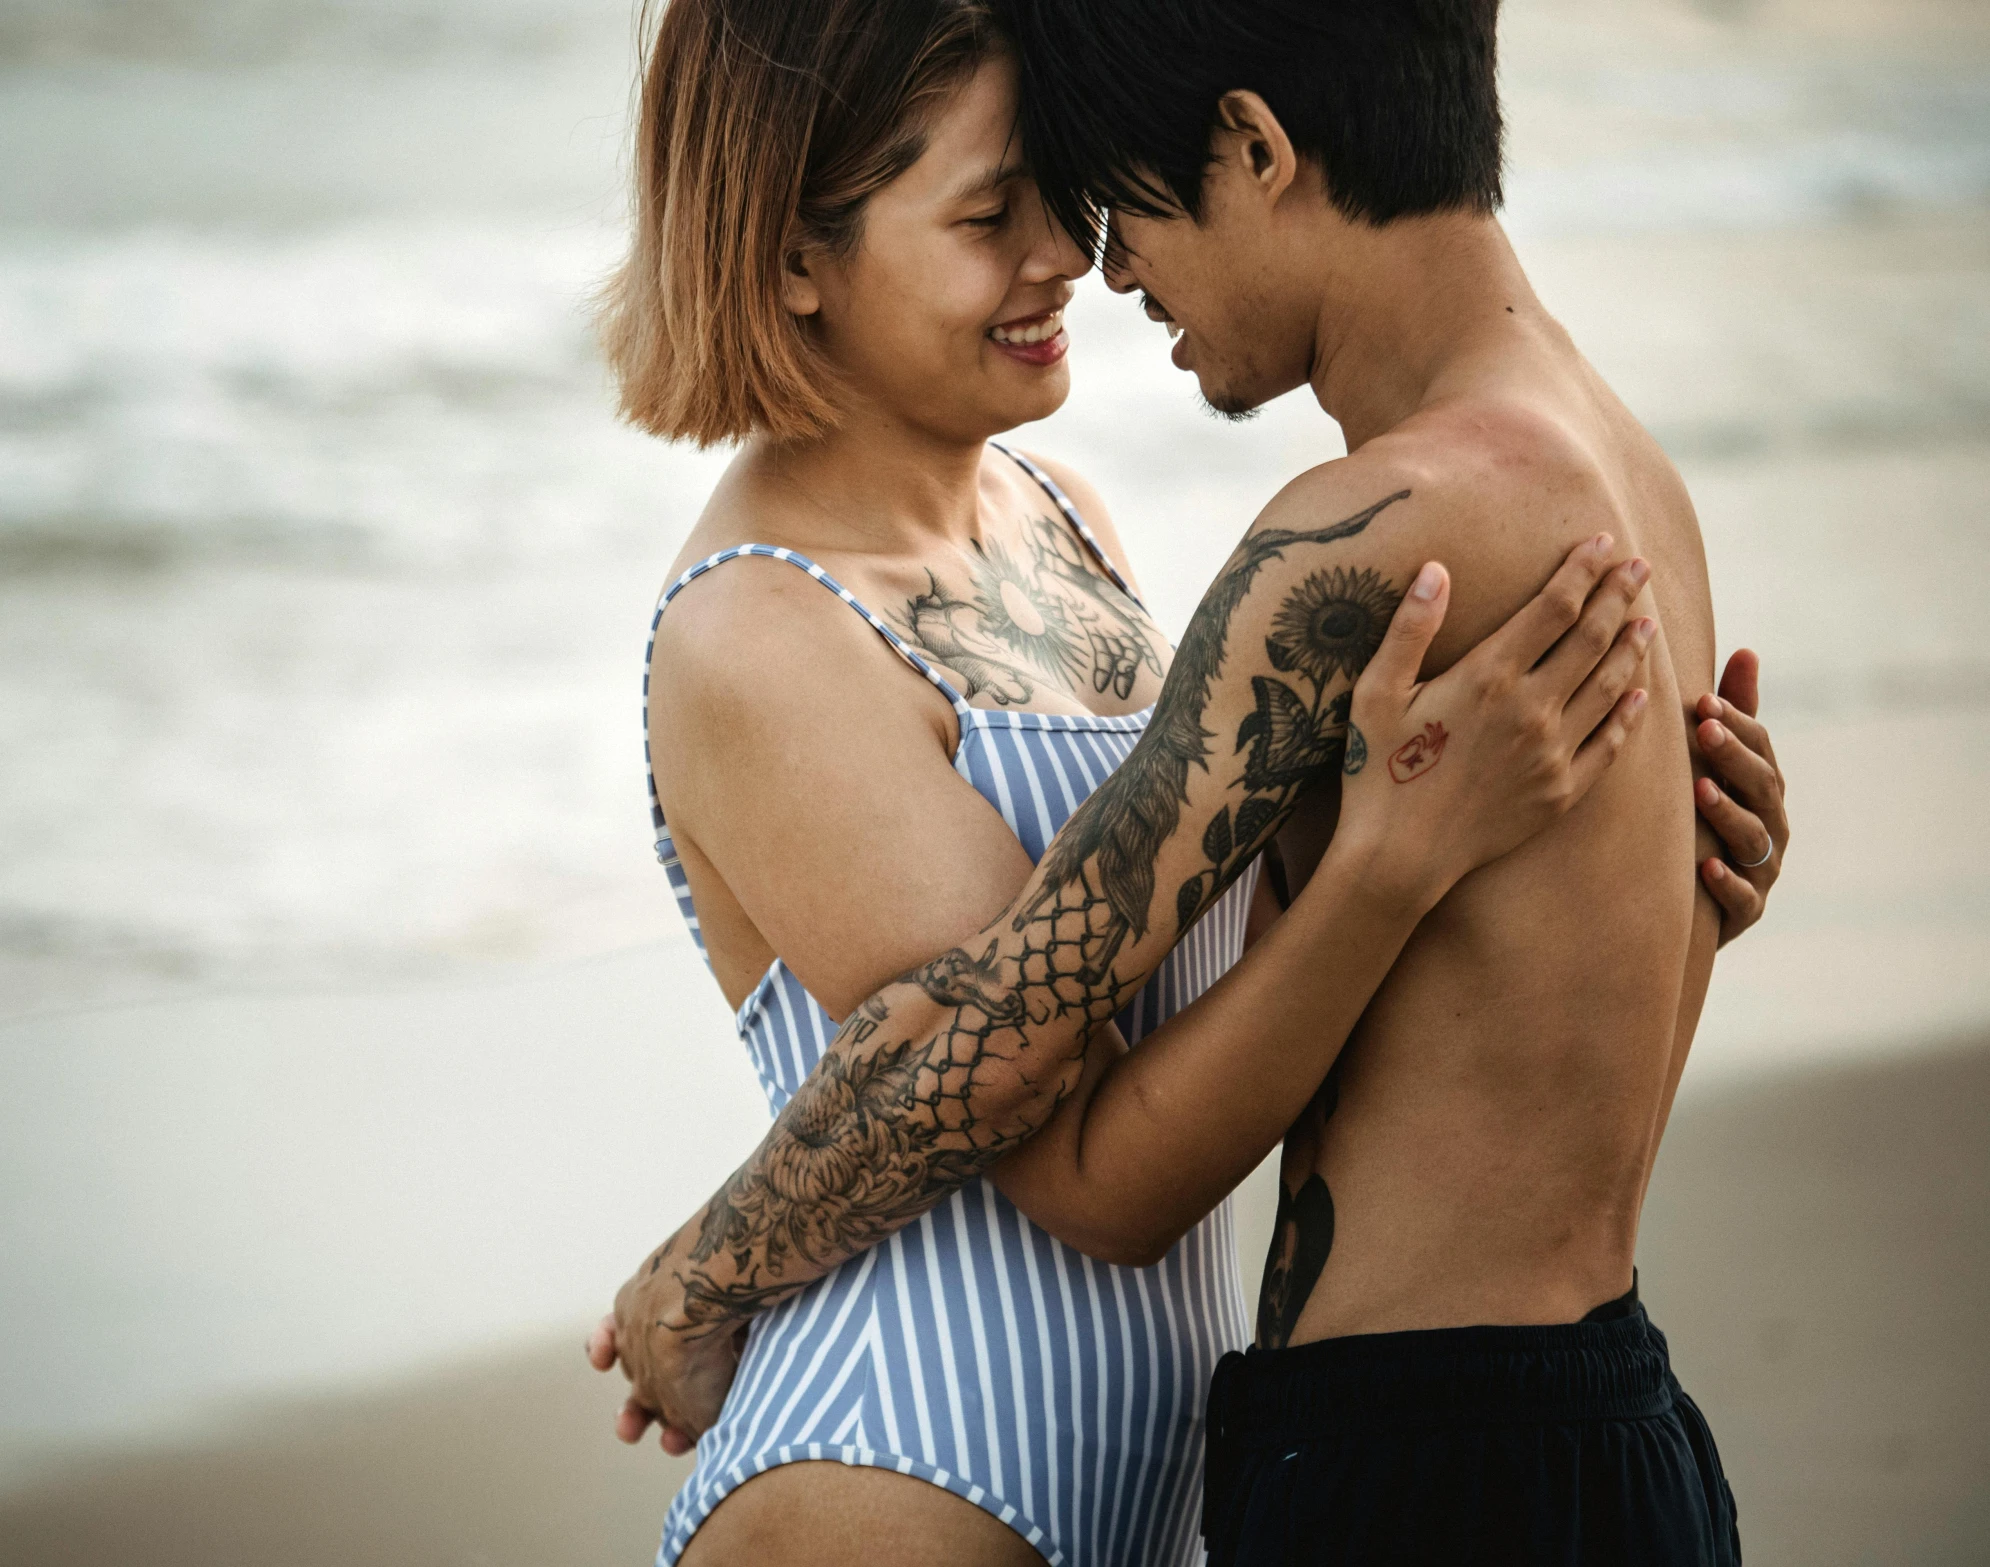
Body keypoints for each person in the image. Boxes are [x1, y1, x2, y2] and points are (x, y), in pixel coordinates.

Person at [591, 1, 1790, 1563]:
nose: (1087, 260)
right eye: (992, 211)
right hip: (905, 1445)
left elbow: (1131, 992)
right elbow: (1018, 1043)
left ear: (1254, 148)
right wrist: (709, 1268)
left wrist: (1625, 876)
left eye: (1089, 194)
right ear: (793, 256)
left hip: (1384, 1452)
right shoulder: (1614, 467)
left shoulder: (1106, 520)